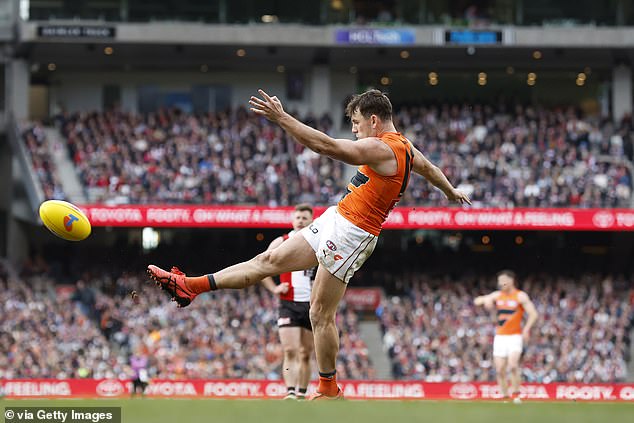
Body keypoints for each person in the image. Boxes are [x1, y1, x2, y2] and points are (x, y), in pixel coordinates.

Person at [147, 88, 471, 400]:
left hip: (352, 234)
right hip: (337, 219)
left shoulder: (383, 149)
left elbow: (326, 146)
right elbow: (429, 168)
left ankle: (328, 387)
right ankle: (190, 286)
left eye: (357, 124)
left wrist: (283, 118)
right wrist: (450, 190)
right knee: (267, 261)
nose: (355, 131)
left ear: (374, 120)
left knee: (320, 314)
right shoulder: (407, 148)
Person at [260, 203, 316, 400]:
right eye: (298, 218)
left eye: (304, 218)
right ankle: (291, 392)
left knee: (306, 353)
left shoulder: (319, 242)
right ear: (293, 221)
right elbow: (261, 266)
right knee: (290, 350)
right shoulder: (281, 241)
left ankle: (301, 393)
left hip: (311, 306)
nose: (301, 221)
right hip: (288, 304)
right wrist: (274, 288)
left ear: (312, 221)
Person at [474, 270, 539, 403]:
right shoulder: (498, 295)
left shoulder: (520, 296)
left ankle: (516, 395)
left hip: (515, 336)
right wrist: (485, 300)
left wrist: (526, 329)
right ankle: (505, 397)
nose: (500, 283)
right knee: (499, 369)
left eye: (503, 281)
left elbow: (533, 314)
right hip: (500, 337)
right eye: (499, 281)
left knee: (513, 365)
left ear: (511, 281)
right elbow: (477, 301)